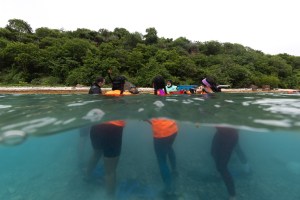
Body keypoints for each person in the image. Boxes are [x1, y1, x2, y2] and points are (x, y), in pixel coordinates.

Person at [85, 120, 126, 198]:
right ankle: (110, 197)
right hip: (113, 129)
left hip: (96, 127)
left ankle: (86, 177)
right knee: (110, 171)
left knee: (96, 154)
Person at [211, 126, 250, 200]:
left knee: (222, 167)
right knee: (213, 152)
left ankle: (233, 196)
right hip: (220, 133)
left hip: (230, 135)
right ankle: (220, 173)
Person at [145, 118, 178, 197]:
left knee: (161, 160)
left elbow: (153, 120)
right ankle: (174, 170)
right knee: (169, 147)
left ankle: (168, 189)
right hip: (173, 129)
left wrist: (146, 119)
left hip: (161, 133)